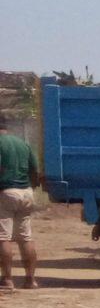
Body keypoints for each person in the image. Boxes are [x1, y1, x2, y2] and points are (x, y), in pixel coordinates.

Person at [0, 109, 37, 289]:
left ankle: (7, 280)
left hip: (6, 192)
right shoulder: (22, 143)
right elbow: (34, 170)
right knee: (25, 238)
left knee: (3, 237)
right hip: (26, 192)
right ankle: (30, 280)